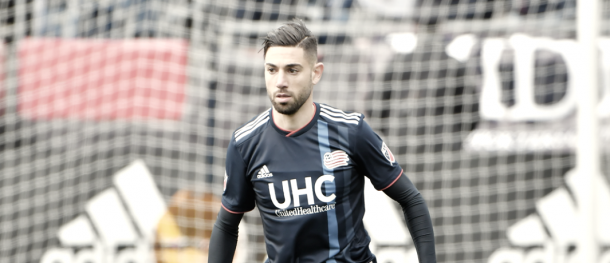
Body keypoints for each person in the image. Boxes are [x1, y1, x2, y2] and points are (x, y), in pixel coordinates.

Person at [208, 19, 436, 263]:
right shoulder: (245, 143)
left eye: (292, 70)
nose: (280, 81)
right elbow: (227, 225)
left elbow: (411, 200)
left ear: (316, 73)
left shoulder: (351, 131)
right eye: (272, 69)